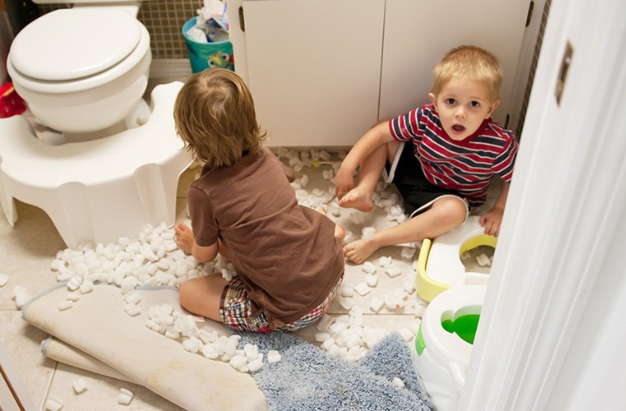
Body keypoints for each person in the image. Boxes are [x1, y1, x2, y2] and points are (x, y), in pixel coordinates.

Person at [173, 68, 345, 333]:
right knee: (293, 217)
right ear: (249, 119)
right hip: (333, 272)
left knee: (187, 293)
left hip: (293, 312)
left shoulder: (203, 192)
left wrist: (192, 245)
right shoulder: (265, 156)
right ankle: (330, 233)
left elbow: (207, 255)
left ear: (189, 136)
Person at [334, 45, 518, 264]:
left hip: (448, 197)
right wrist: (348, 166)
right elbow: (380, 134)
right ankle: (365, 189)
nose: (460, 113)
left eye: (474, 104)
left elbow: (515, 177)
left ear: (490, 109)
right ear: (435, 101)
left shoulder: (498, 142)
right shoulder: (426, 117)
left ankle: (380, 240)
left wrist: (499, 209)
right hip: (419, 170)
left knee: (454, 211)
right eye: (451, 102)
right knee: (383, 128)